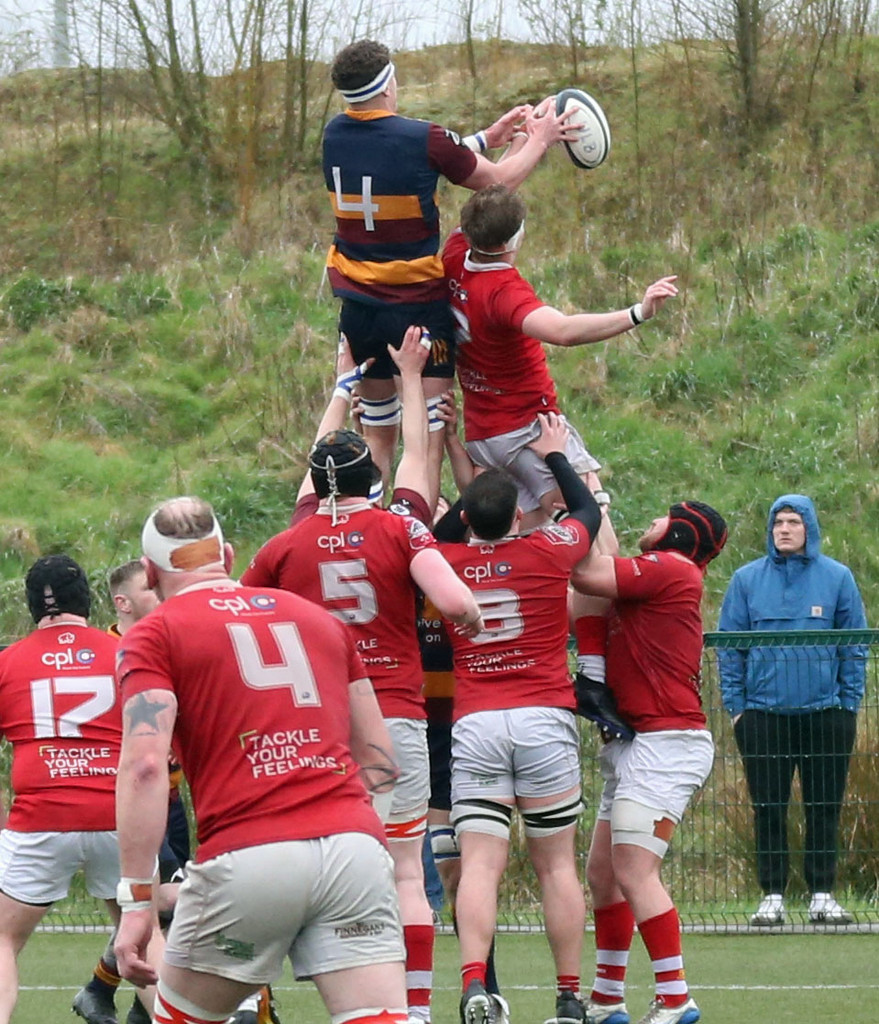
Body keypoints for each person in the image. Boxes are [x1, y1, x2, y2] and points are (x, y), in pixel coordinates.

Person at [242, 328, 483, 1024]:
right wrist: (410, 375)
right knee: (403, 868)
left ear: (315, 489)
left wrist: (343, 385)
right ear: (369, 484)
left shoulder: (288, 540)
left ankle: (255, 995)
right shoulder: (398, 528)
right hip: (394, 716)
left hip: (312, 723)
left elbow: (242, 608)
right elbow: (456, 594)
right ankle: (407, 1011)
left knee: (297, 858)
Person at [113, 496, 408, 1024]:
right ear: (228, 556)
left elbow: (145, 766)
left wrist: (137, 900)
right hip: (353, 846)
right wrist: (367, 840)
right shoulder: (320, 620)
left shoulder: (154, 634)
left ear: (152, 574)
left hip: (250, 855)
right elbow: (381, 757)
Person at [323, 38, 578, 504]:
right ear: (388, 86)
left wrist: (484, 140)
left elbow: (409, 161)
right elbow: (494, 182)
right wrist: (539, 139)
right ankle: (414, 537)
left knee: (379, 437)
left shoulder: (335, 134)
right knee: (426, 441)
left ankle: (371, 524)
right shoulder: (423, 136)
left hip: (358, 311)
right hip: (416, 314)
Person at [433, 414, 603, 1024]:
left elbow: (437, 531)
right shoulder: (544, 549)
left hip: (476, 720)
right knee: (556, 863)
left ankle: (475, 984)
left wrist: (462, 477)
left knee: (480, 862)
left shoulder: (445, 559)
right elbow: (586, 514)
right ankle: (565, 997)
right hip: (542, 718)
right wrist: (556, 456)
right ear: (516, 518)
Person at [569, 501, 728, 1024]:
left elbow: (589, 570)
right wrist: (591, 497)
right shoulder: (655, 573)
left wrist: (574, 516)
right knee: (603, 873)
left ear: (681, 531)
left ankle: (677, 997)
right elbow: (603, 561)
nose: (650, 521)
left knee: (636, 870)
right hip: (642, 741)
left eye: (663, 516)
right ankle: (609, 999)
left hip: (666, 743)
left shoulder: (671, 568)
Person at [442, 183, 679, 532]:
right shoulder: (503, 291)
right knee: (592, 536)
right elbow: (563, 331)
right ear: (514, 240)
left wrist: (533, 139)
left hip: (483, 434)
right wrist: (638, 313)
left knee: (515, 540)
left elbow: (491, 190)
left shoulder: (453, 252)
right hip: (531, 430)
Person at [717, 494, 867, 927]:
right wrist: (738, 709)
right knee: (768, 806)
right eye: (778, 522)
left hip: (826, 713)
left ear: (809, 529)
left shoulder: (837, 578)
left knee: (824, 804)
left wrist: (847, 703)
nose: (784, 529)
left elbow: (854, 644)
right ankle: (772, 896)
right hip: (762, 716)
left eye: (793, 523)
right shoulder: (746, 581)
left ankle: (822, 894)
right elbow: (730, 649)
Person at [0, 555, 127, 1024]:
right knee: (144, 936)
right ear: (87, 600)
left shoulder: (8, 662)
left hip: (39, 820)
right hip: (118, 816)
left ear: (33, 606)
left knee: (3, 941)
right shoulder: (127, 653)